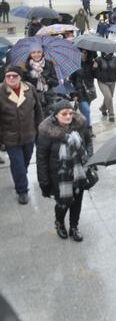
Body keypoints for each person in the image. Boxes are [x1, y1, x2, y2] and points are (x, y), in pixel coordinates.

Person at [37, 99, 93, 242]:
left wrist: (90, 160)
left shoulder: (80, 125)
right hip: (58, 175)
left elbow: (88, 142)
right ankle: (60, 223)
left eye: (70, 113)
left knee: (77, 201)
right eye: (64, 114)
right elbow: (41, 158)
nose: (68, 116)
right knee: (63, 203)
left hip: (79, 172)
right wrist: (44, 181)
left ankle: (74, 227)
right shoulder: (46, 132)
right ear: (56, 115)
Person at [0, 66, 44, 204]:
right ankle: (22, 190)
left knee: (24, 162)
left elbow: (38, 110)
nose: (11, 78)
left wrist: (40, 129)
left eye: (14, 76)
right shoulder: (1, 91)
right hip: (9, 136)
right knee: (17, 163)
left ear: (20, 77)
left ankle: (19, 176)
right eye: (8, 76)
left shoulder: (29, 88)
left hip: (29, 134)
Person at [24, 44, 59, 112]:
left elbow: (56, 83)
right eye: (33, 52)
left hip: (49, 98)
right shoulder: (26, 66)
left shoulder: (48, 64)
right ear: (30, 54)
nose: (36, 54)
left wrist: (44, 74)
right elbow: (23, 84)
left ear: (42, 53)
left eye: (39, 52)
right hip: (33, 99)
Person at [70, 49, 97, 134]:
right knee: (86, 110)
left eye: (85, 53)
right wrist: (73, 94)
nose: (83, 54)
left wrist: (95, 68)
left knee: (85, 111)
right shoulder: (74, 65)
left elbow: (96, 76)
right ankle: (88, 130)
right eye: (81, 52)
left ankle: (83, 127)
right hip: (79, 92)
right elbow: (71, 81)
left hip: (89, 91)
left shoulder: (91, 63)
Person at [94, 51, 116, 122]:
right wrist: (95, 68)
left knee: (109, 96)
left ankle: (103, 108)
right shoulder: (98, 59)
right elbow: (95, 73)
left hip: (113, 81)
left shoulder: (115, 59)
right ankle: (111, 114)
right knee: (108, 97)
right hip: (102, 82)